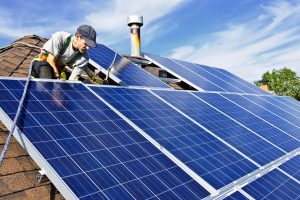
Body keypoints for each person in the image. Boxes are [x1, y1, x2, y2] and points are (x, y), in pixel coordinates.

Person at [32, 24, 97, 80]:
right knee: (47, 78)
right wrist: (57, 78)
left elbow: (73, 79)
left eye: (89, 46)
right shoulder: (61, 37)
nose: (88, 48)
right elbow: (50, 60)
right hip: (42, 63)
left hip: (58, 70)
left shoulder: (84, 58)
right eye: (86, 44)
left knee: (70, 86)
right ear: (78, 37)